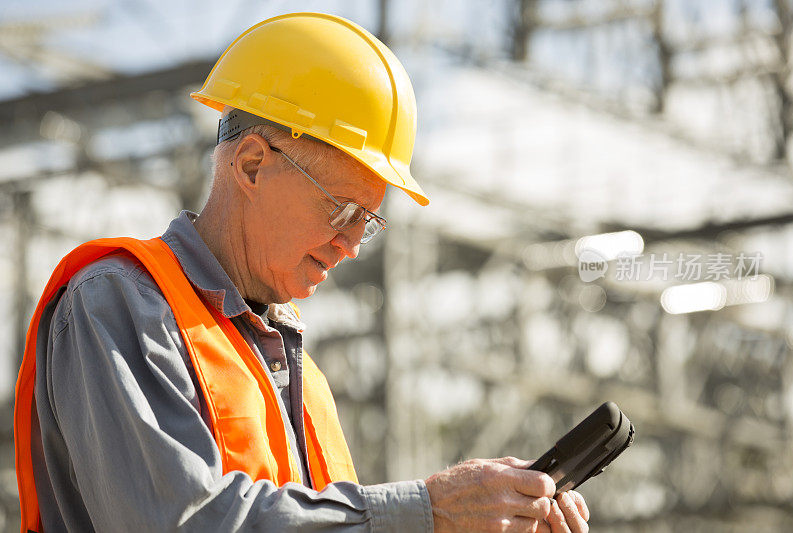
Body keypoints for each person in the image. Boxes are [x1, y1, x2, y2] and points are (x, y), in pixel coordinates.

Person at [14, 12, 590, 533]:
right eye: (341, 210)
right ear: (252, 164)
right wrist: (428, 510)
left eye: (366, 223)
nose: (351, 246)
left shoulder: (299, 377)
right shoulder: (117, 304)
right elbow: (179, 523)